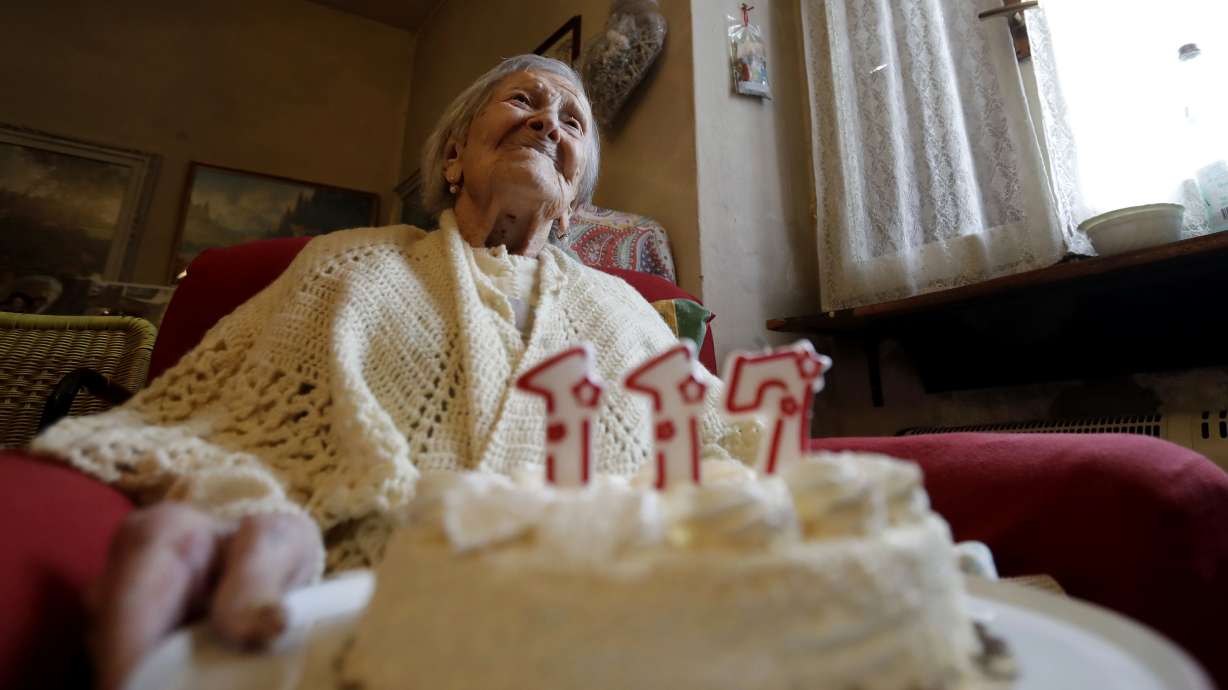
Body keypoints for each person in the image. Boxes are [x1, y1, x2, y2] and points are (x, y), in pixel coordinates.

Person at [30, 55, 754, 690]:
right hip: (356, 617)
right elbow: (209, 427)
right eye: (525, 101)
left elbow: (736, 450)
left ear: (573, 203)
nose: (547, 124)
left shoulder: (628, 312)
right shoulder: (347, 265)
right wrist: (249, 503)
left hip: (614, 627)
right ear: (452, 158)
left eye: (572, 121)